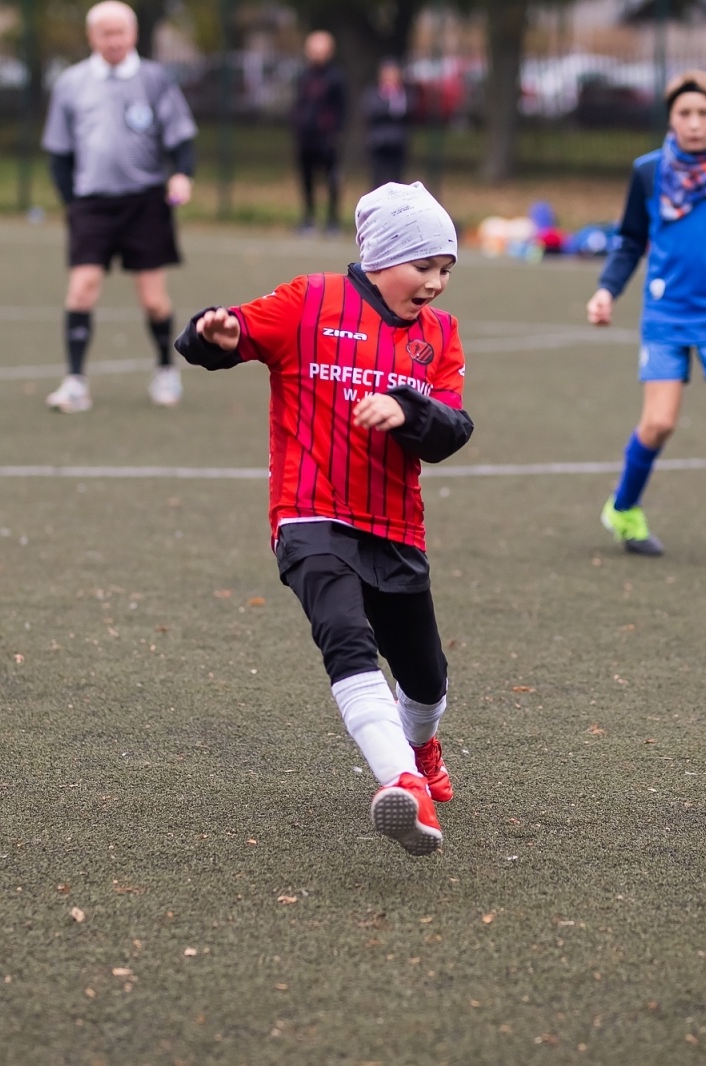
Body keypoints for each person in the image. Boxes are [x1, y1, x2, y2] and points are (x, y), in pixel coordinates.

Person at [174, 182, 472, 856]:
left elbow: (454, 427)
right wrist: (210, 333)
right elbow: (226, 334)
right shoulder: (308, 301)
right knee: (344, 636)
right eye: (423, 266)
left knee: (425, 679)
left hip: (395, 526)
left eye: (446, 271)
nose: (435, 284)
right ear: (381, 256)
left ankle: (419, 747)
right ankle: (401, 782)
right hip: (309, 514)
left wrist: (410, 412)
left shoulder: (439, 338)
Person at [585, 70, 706, 567]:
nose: (694, 123)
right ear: (671, 119)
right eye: (684, 114)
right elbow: (629, 240)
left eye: (704, 114)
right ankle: (623, 508)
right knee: (659, 423)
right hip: (665, 314)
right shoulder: (648, 172)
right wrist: (606, 290)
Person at [40, 0, 197, 414]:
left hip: (145, 202)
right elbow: (59, 152)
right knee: (81, 290)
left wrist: (182, 173)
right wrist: (72, 204)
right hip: (92, 204)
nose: (113, 41)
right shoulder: (71, 83)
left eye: (120, 32)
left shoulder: (155, 79)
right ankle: (75, 383)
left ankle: (166, 370)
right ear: (92, 37)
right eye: (105, 33)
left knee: (153, 300)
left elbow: (180, 136)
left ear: (133, 35)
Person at [292, 30, 346, 235]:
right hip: (306, 138)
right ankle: (308, 218)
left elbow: (341, 109)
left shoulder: (336, 77)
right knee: (307, 180)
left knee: (331, 179)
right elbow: (299, 104)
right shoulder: (304, 76)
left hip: (327, 139)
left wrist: (335, 133)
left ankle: (332, 221)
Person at [364, 58, 410, 190]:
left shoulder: (403, 94)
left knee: (397, 180)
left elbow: (408, 111)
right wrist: (389, 107)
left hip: (397, 142)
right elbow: (371, 111)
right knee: (378, 180)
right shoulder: (373, 92)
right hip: (379, 142)